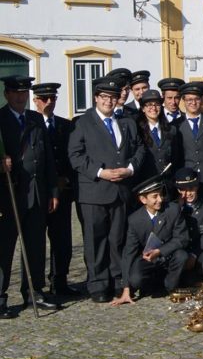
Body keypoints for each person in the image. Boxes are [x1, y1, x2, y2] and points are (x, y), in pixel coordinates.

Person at [68, 75, 145, 302]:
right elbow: (75, 156)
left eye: (112, 98)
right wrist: (101, 172)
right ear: (96, 98)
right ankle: (98, 284)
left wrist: (130, 169)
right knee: (95, 241)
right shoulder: (82, 122)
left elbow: (139, 149)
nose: (108, 102)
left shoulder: (126, 123)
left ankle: (118, 281)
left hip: (121, 190)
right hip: (94, 191)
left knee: (117, 239)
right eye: (104, 97)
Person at [0, 76, 59, 316]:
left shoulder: (35, 119)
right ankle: (1, 297)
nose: (20, 97)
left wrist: (53, 190)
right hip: (9, 194)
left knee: (35, 246)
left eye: (24, 93)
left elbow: (47, 159)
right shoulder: (0, 119)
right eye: (15, 93)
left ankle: (34, 291)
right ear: (7, 94)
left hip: (36, 192)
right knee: (4, 248)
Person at [31, 82, 79, 298]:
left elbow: (72, 156)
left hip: (61, 192)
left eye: (52, 98)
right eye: (44, 98)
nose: (49, 102)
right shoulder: (30, 124)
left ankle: (60, 281)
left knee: (62, 241)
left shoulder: (65, 125)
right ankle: (35, 285)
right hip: (38, 193)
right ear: (36, 101)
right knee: (36, 241)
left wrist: (66, 178)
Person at [111, 175, 190, 304]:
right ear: (143, 199)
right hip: (149, 260)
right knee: (135, 280)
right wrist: (126, 288)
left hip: (169, 256)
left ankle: (170, 285)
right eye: (155, 196)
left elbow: (182, 238)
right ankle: (152, 285)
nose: (160, 199)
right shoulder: (135, 220)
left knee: (181, 255)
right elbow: (129, 252)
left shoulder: (173, 210)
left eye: (160, 195)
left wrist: (160, 251)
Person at [176, 82, 203, 203]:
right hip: (187, 180)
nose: (193, 103)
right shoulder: (176, 125)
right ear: (183, 101)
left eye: (196, 99)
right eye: (189, 99)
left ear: (201, 100)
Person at [174, 168, 203, 281]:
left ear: (197, 187)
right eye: (184, 190)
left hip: (202, 247)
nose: (188, 193)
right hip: (182, 248)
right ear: (179, 191)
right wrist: (178, 208)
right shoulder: (173, 208)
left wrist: (194, 254)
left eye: (191, 189)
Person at [135, 89, 180, 184]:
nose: (154, 108)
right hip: (146, 184)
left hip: (168, 184)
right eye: (149, 105)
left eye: (157, 104)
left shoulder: (171, 129)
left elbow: (176, 158)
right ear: (143, 108)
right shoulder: (137, 130)